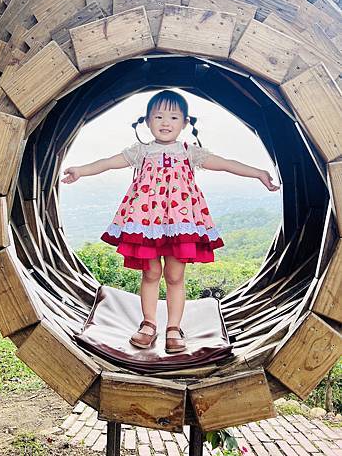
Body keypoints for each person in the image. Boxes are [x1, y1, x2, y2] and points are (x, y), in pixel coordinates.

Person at [61, 90, 280, 354]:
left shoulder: (189, 152)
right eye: (159, 116)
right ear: (148, 121)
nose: (166, 122)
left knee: (175, 275)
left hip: (180, 225)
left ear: (185, 123)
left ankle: (174, 328)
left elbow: (224, 163)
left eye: (174, 117)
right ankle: (148, 324)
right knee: (151, 273)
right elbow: (109, 163)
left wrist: (258, 173)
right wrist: (80, 171)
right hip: (146, 224)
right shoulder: (141, 151)